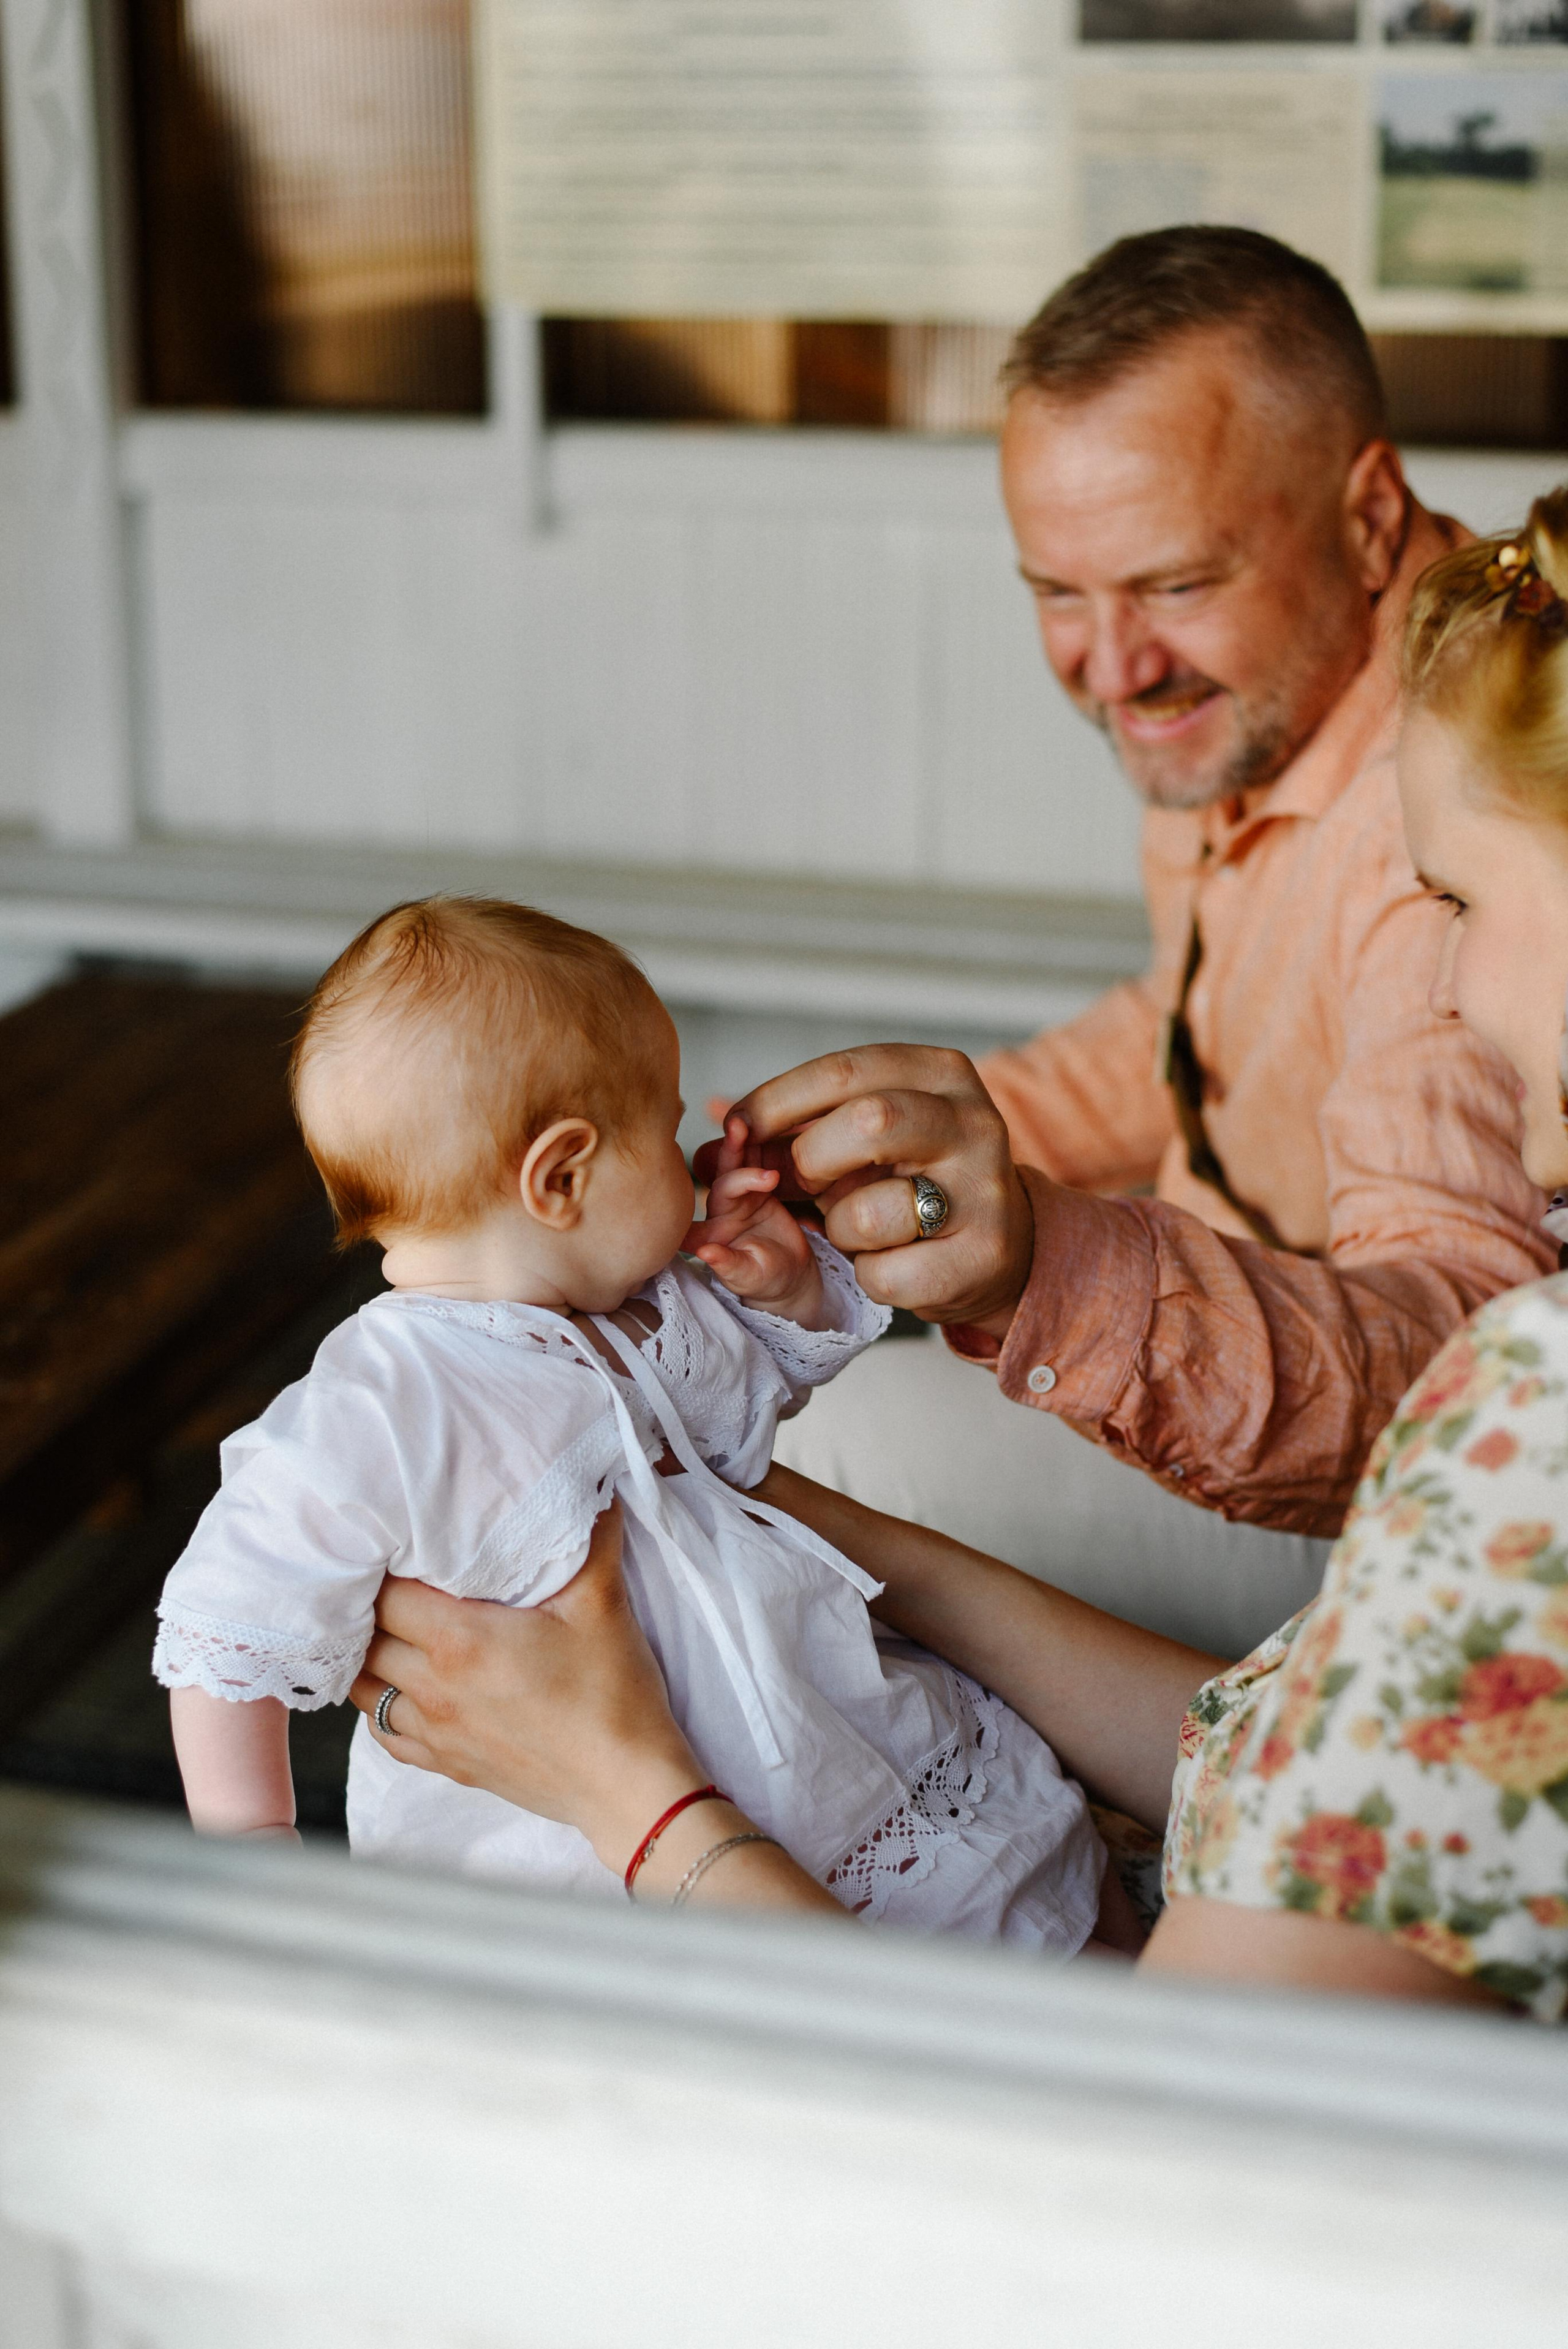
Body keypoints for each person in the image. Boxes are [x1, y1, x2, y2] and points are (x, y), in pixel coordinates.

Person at [347, 492, 1568, 2015]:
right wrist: (828, 1518)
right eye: (1054, 590)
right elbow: (1308, 1768)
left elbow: (1147, 2114)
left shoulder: (1527, 1408)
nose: (1439, 986)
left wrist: (621, 1790)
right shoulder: (1219, 769)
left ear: (1362, 511)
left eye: (1456, 900)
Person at [734, 228, 1552, 1661]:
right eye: (1056, 591)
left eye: (1174, 585)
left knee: (803, 1463)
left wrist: (1039, 1265)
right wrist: (853, 1163)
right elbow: (1198, 1030)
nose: (1109, 671)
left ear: (1367, 518)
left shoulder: (1445, 833)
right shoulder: (1263, 696)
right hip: (1250, 1366)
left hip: (1374, 1510)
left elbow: (1458, 1394)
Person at [157, 896, 1124, 1954]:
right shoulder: (377, 1405)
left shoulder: (635, 1312)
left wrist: (781, 1286)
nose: (689, 1155)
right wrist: (253, 1848)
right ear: (562, 1176)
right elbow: (222, 1625)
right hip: (577, 1842)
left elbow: (767, 1380)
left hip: (823, 1742)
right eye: (664, 1130)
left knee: (1031, 1885)